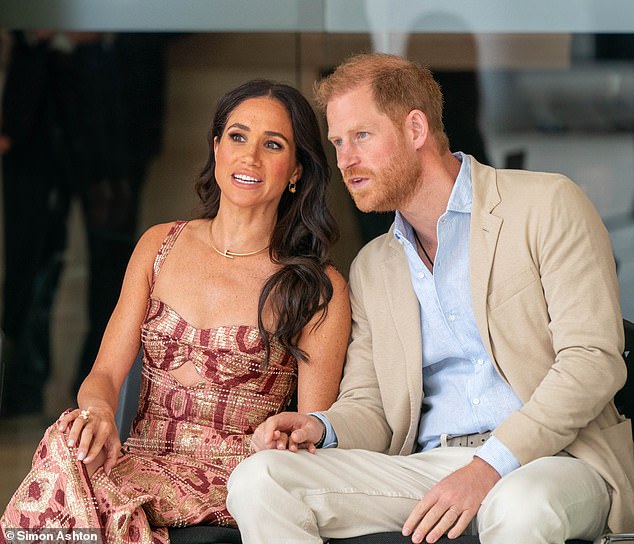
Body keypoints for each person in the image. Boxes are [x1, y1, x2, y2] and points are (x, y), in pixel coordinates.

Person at [226, 54, 634, 543]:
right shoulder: (374, 265)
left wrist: (489, 466)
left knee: (519, 506)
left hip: (555, 460)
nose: (345, 160)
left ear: (415, 128)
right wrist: (321, 427)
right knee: (261, 480)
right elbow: (372, 406)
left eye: (361, 136)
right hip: (429, 466)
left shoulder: (546, 204)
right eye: (337, 142)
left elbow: (593, 361)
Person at [0, 79, 350, 543]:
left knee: (94, 507)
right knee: (67, 438)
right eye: (238, 137)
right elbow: (103, 375)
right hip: (137, 460)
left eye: (273, 145)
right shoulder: (159, 245)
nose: (249, 156)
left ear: (296, 171)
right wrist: (99, 413)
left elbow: (310, 431)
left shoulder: (317, 286)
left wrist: (278, 443)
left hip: (231, 480)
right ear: (217, 147)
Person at [0, 31, 167, 415]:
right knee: (29, 264)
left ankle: (95, 403)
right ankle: (20, 393)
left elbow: (175, 19)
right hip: (36, 111)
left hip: (113, 103)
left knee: (113, 272)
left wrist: (106, 26)